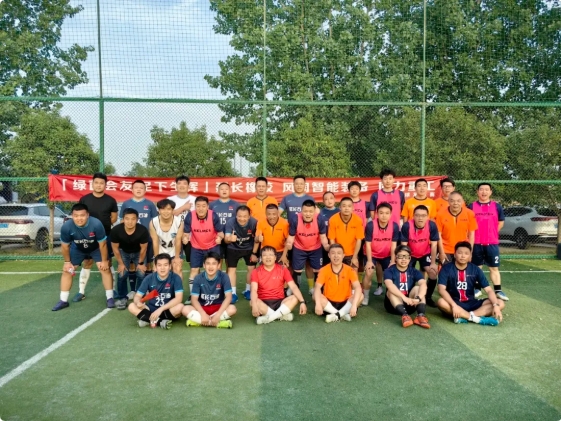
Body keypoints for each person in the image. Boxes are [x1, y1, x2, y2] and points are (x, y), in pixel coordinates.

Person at [52, 204, 115, 311]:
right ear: (72, 216)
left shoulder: (96, 224)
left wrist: (104, 261)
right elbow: (65, 246)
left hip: (96, 248)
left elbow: (103, 244)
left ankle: (110, 298)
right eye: (76, 216)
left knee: (105, 269)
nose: (79, 218)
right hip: (78, 249)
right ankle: (63, 300)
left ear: (88, 215)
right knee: (67, 271)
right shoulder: (67, 226)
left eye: (82, 215)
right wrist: (67, 262)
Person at [437, 241, 504, 325]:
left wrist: (495, 305)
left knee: (500, 303)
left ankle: (465, 316)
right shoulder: (446, 269)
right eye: (460, 253)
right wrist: (454, 305)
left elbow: (489, 290)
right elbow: (441, 289)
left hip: (472, 303)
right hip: (454, 302)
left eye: (466, 253)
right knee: (441, 302)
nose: (463, 256)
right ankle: (477, 319)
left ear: (470, 256)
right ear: (455, 254)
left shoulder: (475, 269)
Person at [74, 172, 118, 302]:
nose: (99, 185)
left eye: (101, 183)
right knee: (87, 262)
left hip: (105, 236)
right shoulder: (85, 199)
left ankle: (112, 290)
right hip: (87, 237)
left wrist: (101, 227)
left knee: (108, 263)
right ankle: (81, 292)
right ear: (92, 184)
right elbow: (80, 216)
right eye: (96, 183)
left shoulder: (111, 200)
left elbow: (114, 217)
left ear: (105, 185)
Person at [468, 183, 508, 301]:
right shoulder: (471, 206)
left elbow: (501, 222)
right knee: (477, 267)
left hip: (492, 243)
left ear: (490, 192)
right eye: (481, 189)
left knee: (494, 268)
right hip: (476, 242)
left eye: (486, 190)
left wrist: (492, 232)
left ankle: (498, 290)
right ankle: (477, 289)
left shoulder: (497, 206)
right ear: (477, 192)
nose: (484, 192)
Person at [119, 179, 158, 293]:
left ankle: (145, 289)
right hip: (130, 241)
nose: (139, 190)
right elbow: (122, 221)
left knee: (147, 265)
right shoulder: (126, 203)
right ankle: (133, 290)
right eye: (136, 188)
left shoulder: (150, 204)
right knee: (132, 265)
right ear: (132, 190)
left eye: (141, 188)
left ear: (145, 190)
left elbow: (155, 221)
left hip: (147, 239)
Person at [250, 246, 307, 324]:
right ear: (261, 258)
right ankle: (281, 315)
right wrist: (254, 306)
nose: (268, 257)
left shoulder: (283, 269)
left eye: (270, 255)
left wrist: (302, 302)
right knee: (252, 302)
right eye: (265, 255)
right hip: (263, 302)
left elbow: (293, 286)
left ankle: (269, 318)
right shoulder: (256, 271)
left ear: (275, 257)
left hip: (280, 302)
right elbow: (253, 289)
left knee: (294, 298)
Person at [183, 196, 224, 302]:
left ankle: (217, 293)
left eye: (203, 206)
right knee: (194, 270)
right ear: (195, 206)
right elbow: (186, 233)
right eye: (198, 206)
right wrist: (185, 238)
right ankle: (193, 295)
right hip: (196, 247)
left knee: (216, 269)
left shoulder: (213, 216)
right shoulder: (190, 216)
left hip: (212, 246)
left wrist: (219, 238)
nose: (200, 208)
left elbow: (221, 233)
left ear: (207, 207)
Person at [127, 253, 184, 329]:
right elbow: (137, 295)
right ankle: (160, 321)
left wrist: (161, 309)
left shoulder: (176, 278)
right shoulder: (149, 278)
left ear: (170, 266)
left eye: (165, 265)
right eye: (159, 265)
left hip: (167, 309)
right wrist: (138, 302)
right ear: (155, 267)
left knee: (180, 307)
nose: (162, 268)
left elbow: (179, 299)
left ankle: (147, 319)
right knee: (131, 306)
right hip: (150, 309)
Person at [285, 200, 329, 295]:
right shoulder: (295, 219)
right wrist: (289, 244)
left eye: (310, 211)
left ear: (314, 211)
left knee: (318, 270)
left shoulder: (320, 219)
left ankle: (317, 290)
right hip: (299, 248)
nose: (308, 214)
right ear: (301, 210)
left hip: (315, 248)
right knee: (297, 270)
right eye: (305, 211)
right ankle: (295, 289)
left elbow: (323, 237)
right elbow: (291, 236)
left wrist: (327, 246)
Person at [182, 252, 236, 328]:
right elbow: (194, 299)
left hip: (218, 307)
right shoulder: (198, 278)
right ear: (204, 265)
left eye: (214, 263)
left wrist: (218, 315)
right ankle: (217, 323)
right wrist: (203, 314)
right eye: (208, 263)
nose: (210, 267)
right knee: (185, 309)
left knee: (232, 309)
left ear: (218, 265)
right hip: (202, 307)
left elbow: (228, 297)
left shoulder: (224, 277)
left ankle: (200, 321)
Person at [110, 208, 150, 310]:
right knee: (122, 274)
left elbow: (143, 249)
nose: (130, 222)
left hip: (138, 252)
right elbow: (115, 249)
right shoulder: (116, 230)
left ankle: (139, 296)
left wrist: (141, 263)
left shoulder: (142, 230)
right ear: (123, 219)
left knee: (141, 273)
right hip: (123, 251)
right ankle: (122, 298)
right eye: (127, 219)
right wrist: (120, 263)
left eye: (133, 219)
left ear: (137, 219)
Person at [400, 205, 439, 307]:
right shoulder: (407, 226)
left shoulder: (432, 225)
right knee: (406, 273)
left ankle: (428, 297)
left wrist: (433, 263)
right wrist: (404, 260)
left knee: (433, 273)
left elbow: (434, 245)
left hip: (425, 253)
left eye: (423, 215)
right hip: (410, 254)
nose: (420, 218)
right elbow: (404, 246)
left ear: (427, 217)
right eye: (417, 215)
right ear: (413, 216)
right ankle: (408, 295)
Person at [383, 245, 430, 328]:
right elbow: (389, 285)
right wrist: (403, 297)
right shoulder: (389, 271)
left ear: (410, 258)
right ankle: (405, 316)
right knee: (390, 291)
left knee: (418, 288)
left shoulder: (414, 271)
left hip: (410, 304)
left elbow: (423, 284)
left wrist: (418, 298)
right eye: (400, 256)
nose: (404, 259)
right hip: (393, 306)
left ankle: (420, 316)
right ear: (396, 258)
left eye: (406, 257)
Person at [314, 244, 363, 322]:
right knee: (315, 296)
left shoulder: (350, 270)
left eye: (339, 253)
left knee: (361, 295)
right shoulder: (323, 270)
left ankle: (336, 315)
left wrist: (354, 305)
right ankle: (342, 314)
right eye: (333, 253)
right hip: (329, 303)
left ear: (343, 255)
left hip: (346, 303)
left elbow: (357, 287)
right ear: (329, 255)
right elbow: (317, 287)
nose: (336, 256)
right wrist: (318, 304)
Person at [363, 202, 400, 303]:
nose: (384, 215)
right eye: (381, 213)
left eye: (387, 213)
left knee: (392, 273)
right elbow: (368, 245)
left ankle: (390, 296)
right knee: (369, 272)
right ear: (377, 214)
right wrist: (369, 261)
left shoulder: (394, 226)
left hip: (386, 254)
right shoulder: (370, 225)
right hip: (372, 254)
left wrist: (393, 261)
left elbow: (393, 245)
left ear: (391, 214)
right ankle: (365, 297)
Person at [224, 205, 258, 303]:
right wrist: (229, 239)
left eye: (244, 216)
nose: (242, 219)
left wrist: (254, 253)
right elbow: (226, 239)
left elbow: (257, 239)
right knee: (231, 269)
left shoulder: (254, 222)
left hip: (249, 248)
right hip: (233, 248)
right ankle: (232, 293)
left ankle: (248, 290)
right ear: (236, 215)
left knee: (251, 268)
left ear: (249, 216)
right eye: (239, 216)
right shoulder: (230, 222)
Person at [436, 191, 477, 265]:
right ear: (448, 201)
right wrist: (441, 252)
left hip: (462, 249)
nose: (455, 203)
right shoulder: (440, 214)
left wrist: (469, 252)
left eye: (458, 201)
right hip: (446, 250)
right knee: (446, 271)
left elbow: (471, 235)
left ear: (462, 201)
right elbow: (438, 235)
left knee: (461, 271)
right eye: (452, 201)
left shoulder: (470, 214)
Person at [149, 199, 184, 280]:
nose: (166, 212)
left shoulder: (179, 222)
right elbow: (155, 241)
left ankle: (178, 288)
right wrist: (156, 258)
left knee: (177, 269)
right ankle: (159, 288)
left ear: (173, 210)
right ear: (159, 210)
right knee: (156, 270)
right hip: (160, 251)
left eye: (168, 209)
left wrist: (177, 257)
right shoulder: (153, 222)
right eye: (163, 209)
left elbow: (178, 240)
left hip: (174, 250)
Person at [327, 197, 365, 271]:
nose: (346, 208)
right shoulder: (333, 219)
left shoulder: (358, 220)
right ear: (340, 207)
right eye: (344, 206)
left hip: (352, 253)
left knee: (353, 274)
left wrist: (354, 257)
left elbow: (359, 240)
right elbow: (332, 239)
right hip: (338, 253)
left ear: (353, 208)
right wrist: (335, 254)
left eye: (349, 206)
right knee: (337, 274)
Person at [168, 175, 196, 266]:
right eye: (179, 183)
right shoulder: (170, 200)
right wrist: (184, 207)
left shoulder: (195, 200)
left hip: (191, 236)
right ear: (176, 185)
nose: (182, 185)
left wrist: (187, 233)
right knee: (174, 262)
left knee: (193, 263)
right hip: (173, 235)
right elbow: (167, 215)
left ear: (188, 186)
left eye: (184, 183)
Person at [209, 182, 240, 267]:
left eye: (226, 189)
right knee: (217, 262)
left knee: (229, 263)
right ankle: (218, 276)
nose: (224, 191)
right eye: (222, 189)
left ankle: (227, 276)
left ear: (230, 191)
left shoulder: (236, 205)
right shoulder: (212, 205)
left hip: (230, 237)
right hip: (216, 237)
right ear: (218, 191)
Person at [319, 191, 339, 266]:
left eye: (331, 198)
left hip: (337, 241)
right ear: (323, 201)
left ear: (335, 199)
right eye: (326, 199)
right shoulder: (320, 213)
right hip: (324, 242)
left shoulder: (340, 212)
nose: (329, 201)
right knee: (325, 264)